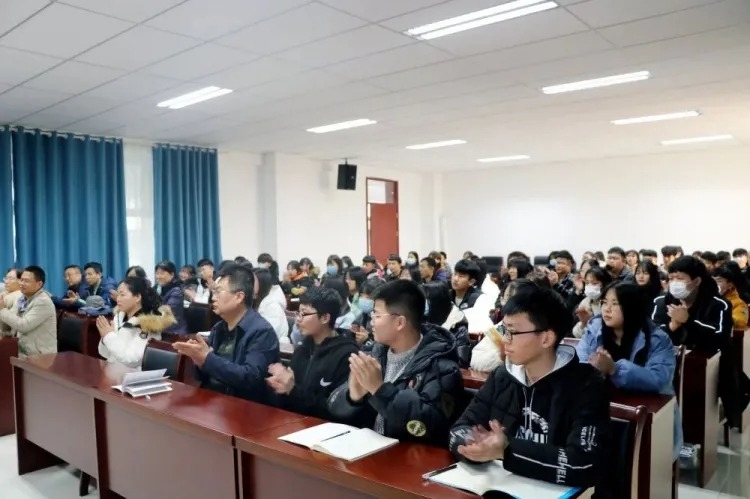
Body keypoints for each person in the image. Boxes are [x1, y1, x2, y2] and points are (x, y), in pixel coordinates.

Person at [449, 284, 609, 488]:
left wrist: (507, 450)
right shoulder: (503, 376)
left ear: (546, 338)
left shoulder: (586, 385)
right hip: (500, 486)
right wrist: (474, 447)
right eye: (504, 330)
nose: (504, 340)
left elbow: (584, 464)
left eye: (512, 332)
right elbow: (459, 429)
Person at [327, 280, 464, 444]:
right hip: (368, 450)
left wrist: (380, 390)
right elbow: (334, 408)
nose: (371, 320)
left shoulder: (442, 368)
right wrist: (353, 398)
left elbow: (429, 427)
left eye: (377, 315)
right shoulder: (373, 354)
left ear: (400, 322)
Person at [576, 282, 681, 458]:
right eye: (604, 302)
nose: (607, 309)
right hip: (601, 405)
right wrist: (595, 369)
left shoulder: (657, 338)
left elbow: (658, 379)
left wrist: (614, 369)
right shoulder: (595, 329)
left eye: (614, 303)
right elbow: (579, 363)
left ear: (631, 307)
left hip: (645, 411)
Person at [652, 256, 743, 427]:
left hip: (708, 367)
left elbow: (721, 337)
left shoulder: (719, 304)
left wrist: (689, 321)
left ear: (696, 281)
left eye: (680, 278)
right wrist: (672, 326)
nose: (674, 283)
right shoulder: (661, 301)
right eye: (671, 278)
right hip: (667, 363)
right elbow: (651, 333)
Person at [174, 264, 280, 403]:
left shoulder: (262, 332)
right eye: (213, 292)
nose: (213, 298)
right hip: (217, 402)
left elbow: (250, 378)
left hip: (246, 407)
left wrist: (207, 359)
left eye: (218, 292)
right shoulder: (219, 328)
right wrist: (199, 361)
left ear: (239, 297)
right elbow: (204, 377)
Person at [266, 287, 359, 418]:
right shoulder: (303, 348)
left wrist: (292, 390)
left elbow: (336, 411)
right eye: (298, 313)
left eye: (304, 314)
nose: (298, 319)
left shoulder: (347, 356)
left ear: (325, 318)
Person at [96, 277, 176, 368]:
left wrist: (108, 336)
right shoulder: (119, 317)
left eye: (122, 295)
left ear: (137, 297)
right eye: (118, 295)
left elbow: (132, 359)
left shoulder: (148, 324)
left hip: (133, 374)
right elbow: (104, 353)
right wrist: (105, 337)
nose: (118, 299)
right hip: (113, 370)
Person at [0, 266, 57, 356]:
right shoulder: (22, 298)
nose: (22, 283)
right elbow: (12, 322)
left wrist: (2, 310)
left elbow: (23, 326)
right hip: (22, 350)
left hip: (40, 356)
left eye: (26, 281)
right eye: (21, 280)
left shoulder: (43, 302)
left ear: (39, 284)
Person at [423, 281, 471, 368]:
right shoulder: (420, 320)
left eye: (426, 299)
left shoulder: (458, 328)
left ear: (437, 301)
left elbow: (461, 362)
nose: (422, 303)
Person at [572, 266, 613, 338]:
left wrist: (592, 322)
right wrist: (584, 324)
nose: (590, 286)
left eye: (594, 283)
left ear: (605, 284)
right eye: (587, 283)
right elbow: (577, 334)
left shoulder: (611, 304)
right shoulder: (585, 302)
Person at [253, 268, 289, 344]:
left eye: (252, 282)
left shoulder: (272, 307)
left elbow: (267, 335)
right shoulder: (257, 301)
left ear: (261, 285)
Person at [153, 260, 187, 334]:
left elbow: (165, 313)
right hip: (159, 328)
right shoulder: (157, 287)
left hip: (173, 331)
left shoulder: (176, 291)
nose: (158, 276)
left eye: (162, 273)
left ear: (172, 274)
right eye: (157, 273)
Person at [713, 262, 749, 329]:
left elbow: (740, 322)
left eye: (719, 281)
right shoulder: (706, 299)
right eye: (713, 280)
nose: (714, 284)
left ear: (730, 285)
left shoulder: (739, 304)